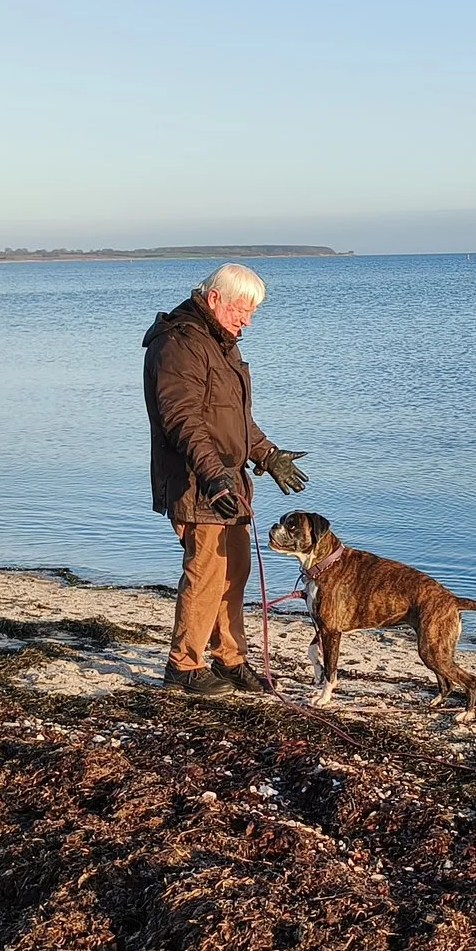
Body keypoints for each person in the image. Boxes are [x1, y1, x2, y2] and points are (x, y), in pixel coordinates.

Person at [140, 263, 309, 696]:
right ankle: (183, 666)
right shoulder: (178, 343)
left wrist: (267, 454)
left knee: (235, 571)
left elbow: (234, 420)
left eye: (253, 312)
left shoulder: (221, 342)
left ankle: (230, 660)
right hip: (196, 481)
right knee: (206, 574)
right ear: (215, 299)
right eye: (241, 310)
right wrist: (214, 477)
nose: (247, 321)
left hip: (227, 480)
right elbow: (182, 420)